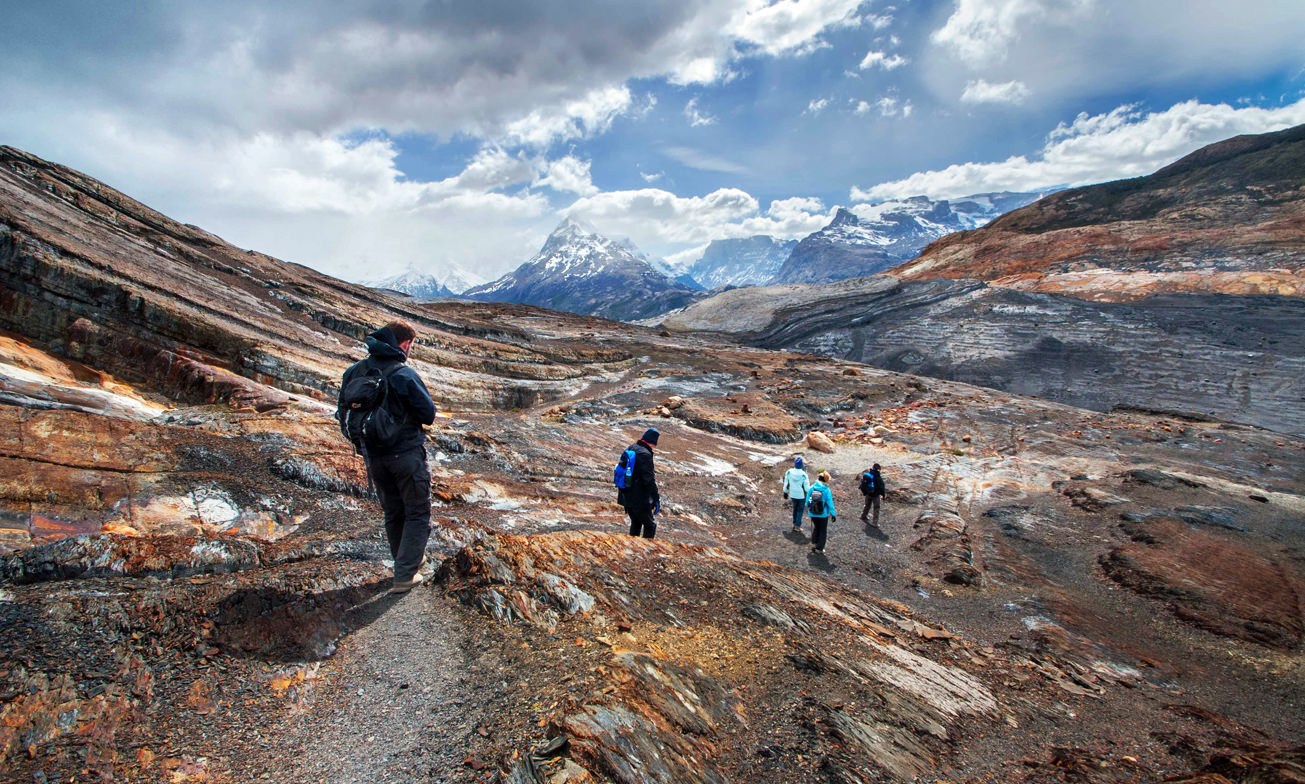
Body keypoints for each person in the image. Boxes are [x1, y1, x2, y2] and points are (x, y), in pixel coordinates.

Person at [338, 321, 437, 594]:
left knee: (394, 512)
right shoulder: (403, 374)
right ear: (405, 344)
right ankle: (405, 574)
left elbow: (342, 412)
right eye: (411, 345)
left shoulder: (355, 371)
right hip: (406, 455)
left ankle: (406, 560)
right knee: (417, 512)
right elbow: (428, 414)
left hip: (373, 458)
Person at [618, 428, 661, 539]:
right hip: (639, 498)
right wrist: (656, 498)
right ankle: (646, 548)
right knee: (650, 525)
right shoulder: (645, 454)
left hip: (626, 494)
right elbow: (649, 480)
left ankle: (633, 545)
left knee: (636, 522)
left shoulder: (631, 448)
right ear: (652, 442)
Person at [806, 471, 836, 554]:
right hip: (823, 514)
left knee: (816, 527)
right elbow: (830, 503)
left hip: (813, 513)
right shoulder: (826, 490)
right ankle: (819, 548)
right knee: (823, 530)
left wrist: (810, 508)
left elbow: (808, 501)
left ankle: (815, 542)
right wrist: (833, 514)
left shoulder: (812, 488)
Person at [781, 456, 811, 532]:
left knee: (795, 508)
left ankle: (794, 523)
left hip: (792, 494)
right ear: (802, 465)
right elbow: (807, 488)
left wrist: (785, 492)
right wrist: (810, 493)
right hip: (801, 495)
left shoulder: (789, 472)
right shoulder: (804, 475)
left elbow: (786, 483)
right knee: (800, 510)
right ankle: (797, 526)